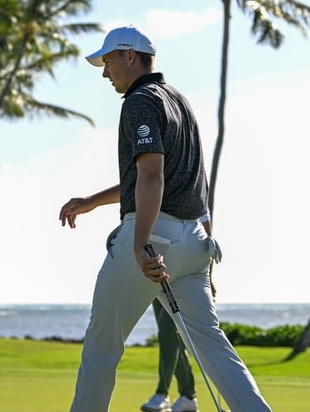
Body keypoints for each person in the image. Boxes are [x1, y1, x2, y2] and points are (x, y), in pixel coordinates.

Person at [59, 25, 271, 412]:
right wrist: (92, 201)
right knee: (213, 347)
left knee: (101, 346)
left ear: (129, 56)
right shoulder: (180, 100)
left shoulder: (139, 101)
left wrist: (140, 243)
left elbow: (153, 175)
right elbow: (179, 182)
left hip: (154, 238)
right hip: (194, 242)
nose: (105, 73)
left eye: (107, 61)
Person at [140, 214, 213, 412]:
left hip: (183, 272)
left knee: (167, 333)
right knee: (173, 339)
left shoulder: (192, 188)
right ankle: (188, 395)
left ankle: (161, 393)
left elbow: (207, 236)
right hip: (155, 265)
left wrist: (209, 279)